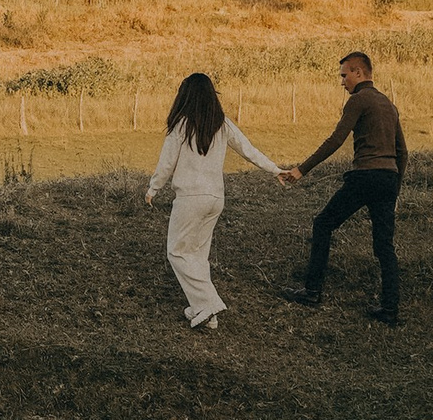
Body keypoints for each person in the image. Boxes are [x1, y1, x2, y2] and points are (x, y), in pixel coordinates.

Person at [145, 69, 284, 329]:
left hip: (190, 198)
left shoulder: (181, 125)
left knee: (176, 251)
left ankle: (209, 302)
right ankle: (207, 314)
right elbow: (248, 150)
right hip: (215, 198)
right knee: (197, 255)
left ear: (185, 96)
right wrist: (275, 169)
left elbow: (167, 163)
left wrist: (153, 189)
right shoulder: (222, 123)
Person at [280, 49, 408, 322]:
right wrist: (395, 189)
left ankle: (312, 290)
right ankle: (390, 309)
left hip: (365, 176)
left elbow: (336, 139)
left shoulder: (358, 100)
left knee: (323, 223)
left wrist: (302, 169)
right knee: (384, 245)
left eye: (344, 75)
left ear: (359, 72)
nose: (342, 82)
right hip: (388, 178)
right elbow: (403, 153)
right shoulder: (388, 104)